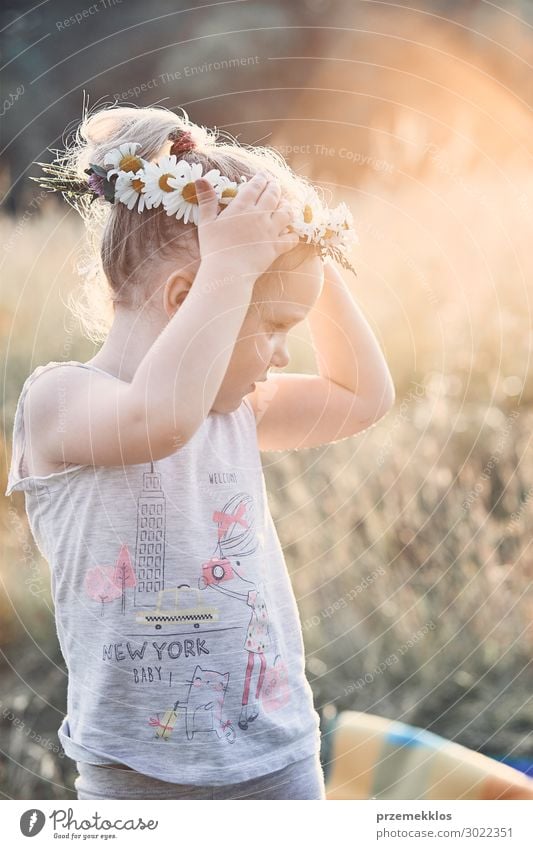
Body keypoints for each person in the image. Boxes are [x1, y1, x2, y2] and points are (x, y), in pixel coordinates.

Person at [5, 104, 395, 800]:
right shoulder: (59, 402)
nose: (281, 355)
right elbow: (159, 417)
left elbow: (360, 395)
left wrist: (305, 242)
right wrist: (232, 267)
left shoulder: (233, 407)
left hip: (277, 756)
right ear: (189, 296)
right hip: (140, 776)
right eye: (274, 326)